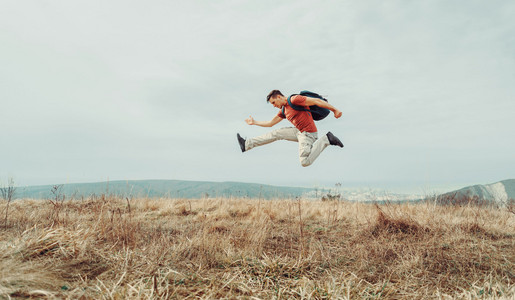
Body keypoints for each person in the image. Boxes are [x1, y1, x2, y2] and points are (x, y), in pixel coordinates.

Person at [237, 90, 344, 167]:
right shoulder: (284, 110)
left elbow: (316, 101)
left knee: (305, 162)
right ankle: (247, 144)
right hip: (299, 131)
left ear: (279, 97)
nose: (274, 106)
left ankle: (327, 139)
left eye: (273, 102)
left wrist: (335, 110)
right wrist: (254, 122)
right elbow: (270, 123)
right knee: (276, 133)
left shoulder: (294, 100)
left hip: (308, 134)